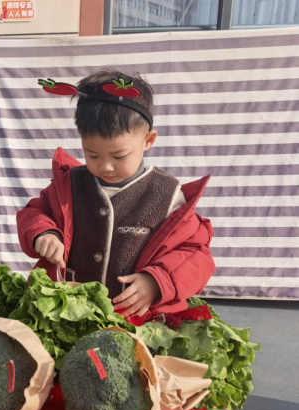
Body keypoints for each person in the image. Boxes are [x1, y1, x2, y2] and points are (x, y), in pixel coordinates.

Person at [16, 69, 216, 323]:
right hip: (69, 316)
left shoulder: (168, 195)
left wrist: (157, 282)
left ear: (148, 140)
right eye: (92, 155)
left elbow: (195, 253)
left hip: (138, 322)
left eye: (119, 156)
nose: (106, 166)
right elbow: (35, 212)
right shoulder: (68, 185)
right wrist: (44, 233)